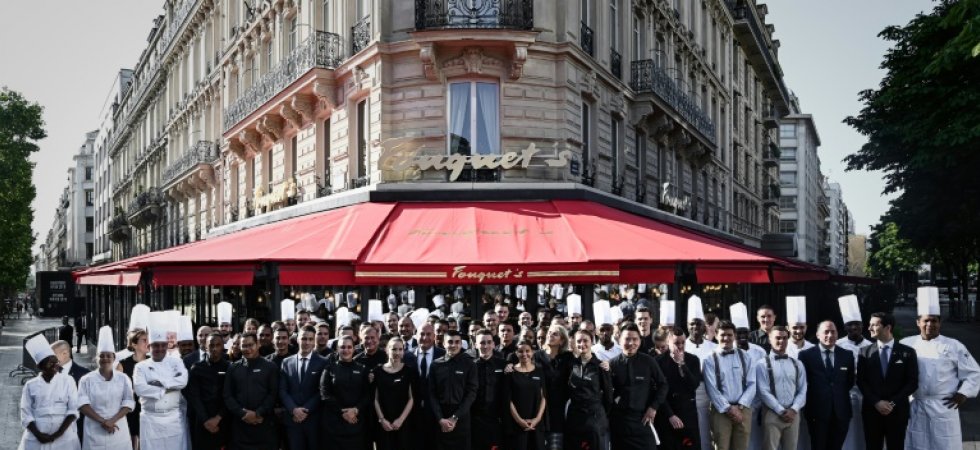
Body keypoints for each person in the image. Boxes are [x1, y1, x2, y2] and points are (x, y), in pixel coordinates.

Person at [900, 287, 980, 450]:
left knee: (945, 444)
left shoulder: (953, 345)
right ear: (918, 322)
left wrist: (963, 393)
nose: (930, 324)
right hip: (916, 405)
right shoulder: (906, 344)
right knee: (917, 444)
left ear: (940, 323)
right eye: (926, 320)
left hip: (944, 406)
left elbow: (974, 372)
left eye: (934, 320)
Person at [856, 312, 918, 450]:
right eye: (870, 324)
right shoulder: (864, 352)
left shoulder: (907, 352)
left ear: (887, 327)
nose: (869, 328)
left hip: (897, 412)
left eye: (874, 325)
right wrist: (876, 402)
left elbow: (912, 382)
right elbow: (861, 381)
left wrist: (892, 402)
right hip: (872, 411)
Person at [608, 323, 668, 450]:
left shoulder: (648, 361)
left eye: (635, 339)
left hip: (642, 420)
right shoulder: (612, 364)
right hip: (619, 422)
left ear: (640, 341)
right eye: (627, 339)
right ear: (619, 340)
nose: (631, 343)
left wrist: (653, 407)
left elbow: (663, 385)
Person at [797, 321, 855, 450]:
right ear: (818, 335)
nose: (830, 335)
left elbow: (849, 382)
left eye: (833, 332)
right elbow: (802, 383)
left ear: (837, 334)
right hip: (816, 412)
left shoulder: (847, 355)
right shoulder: (806, 355)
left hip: (841, 412)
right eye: (826, 332)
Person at [20, 334, 81, 450]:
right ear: (40, 366)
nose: (55, 365)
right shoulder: (30, 385)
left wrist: (58, 434)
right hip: (37, 436)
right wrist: (39, 435)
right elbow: (26, 413)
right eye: (50, 362)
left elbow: (73, 410)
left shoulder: (68, 381)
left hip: (64, 436)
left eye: (56, 361)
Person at [132, 326, 188, 450]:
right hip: (151, 421)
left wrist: (159, 384)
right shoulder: (140, 367)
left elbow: (183, 381)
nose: (160, 348)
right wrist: (171, 386)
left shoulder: (176, 362)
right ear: (149, 347)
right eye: (156, 345)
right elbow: (140, 389)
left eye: (163, 345)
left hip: (174, 419)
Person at [78, 326, 134, 450]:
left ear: (114, 358)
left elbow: (129, 403)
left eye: (108, 355)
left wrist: (112, 420)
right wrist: (103, 421)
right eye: (101, 356)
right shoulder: (86, 379)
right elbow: (83, 405)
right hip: (94, 429)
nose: (105, 359)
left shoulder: (123, 378)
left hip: (118, 428)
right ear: (96, 359)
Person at [704, 321, 756, 450]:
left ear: (734, 336)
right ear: (716, 335)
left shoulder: (746, 357)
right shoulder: (710, 359)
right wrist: (728, 408)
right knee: (721, 446)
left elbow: (752, 383)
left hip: (743, 409)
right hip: (720, 411)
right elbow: (712, 389)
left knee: (742, 446)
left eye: (729, 335)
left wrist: (740, 406)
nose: (726, 338)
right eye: (723, 335)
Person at [223, 332, 279, 450]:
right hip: (240, 427)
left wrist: (258, 413)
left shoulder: (270, 367)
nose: (247, 349)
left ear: (258, 344)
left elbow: (273, 394)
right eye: (244, 346)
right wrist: (243, 413)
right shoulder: (233, 368)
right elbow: (227, 395)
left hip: (263, 424)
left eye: (250, 345)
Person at [755, 326, 806, 450]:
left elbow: (802, 389)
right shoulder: (761, 364)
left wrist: (793, 409)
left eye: (784, 338)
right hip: (772, 413)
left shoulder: (797, 363)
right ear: (770, 339)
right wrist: (781, 410)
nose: (781, 341)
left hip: (793, 415)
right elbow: (763, 391)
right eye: (778, 338)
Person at [654, 326, 703, 450]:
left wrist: (682, 364)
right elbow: (657, 391)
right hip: (667, 414)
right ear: (668, 342)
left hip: (688, 414)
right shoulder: (658, 361)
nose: (680, 346)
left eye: (683, 342)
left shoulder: (693, 360)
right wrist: (670, 415)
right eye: (676, 343)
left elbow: (694, 385)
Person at [562, 329, 612, 450]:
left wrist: (602, 416)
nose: (582, 344)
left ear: (592, 342)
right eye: (579, 341)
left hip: (595, 419)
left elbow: (608, 396)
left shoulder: (601, 366)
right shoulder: (570, 364)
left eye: (586, 340)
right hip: (574, 418)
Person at [429, 331, 479, 450]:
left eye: (457, 342)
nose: (453, 345)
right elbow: (432, 393)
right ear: (444, 344)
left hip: (461, 417)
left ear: (461, 344)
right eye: (450, 342)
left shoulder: (469, 364)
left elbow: (471, 393)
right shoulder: (435, 365)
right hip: (440, 417)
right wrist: (440, 419)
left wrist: (455, 417)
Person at [280, 326, 327, 450]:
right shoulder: (286, 362)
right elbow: (283, 390)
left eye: (310, 339)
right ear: (297, 340)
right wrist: (293, 409)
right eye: (304, 338)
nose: (307, 342)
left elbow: (321, 390)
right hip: (292, 419)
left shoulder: (323, 362)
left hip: (314, 419)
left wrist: (306, 410)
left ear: (314, 341)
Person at [321, 335, 371, 449]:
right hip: (333, 424)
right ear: (337, 349)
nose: (346, 350)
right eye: (342, 347)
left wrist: (355, 410)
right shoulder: (329, 368)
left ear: (354, 349)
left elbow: (367, 395)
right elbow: (325, 394)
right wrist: (341, 411)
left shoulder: (362, 369)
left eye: (349, 347)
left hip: (356, 423)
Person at [835, 296, 871, 450]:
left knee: (864, 432)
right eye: (850, 324)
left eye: (856, 324)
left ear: (862, 325)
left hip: (865, 397)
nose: (854, 328)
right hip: (844, 397)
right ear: (845, 327)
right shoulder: (837, 345)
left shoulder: (871, 346)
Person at [186, 333, 230, 450]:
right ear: (205, 347)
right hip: (201, 421)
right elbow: (194, 397)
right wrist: (206, 420)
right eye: (211, 345)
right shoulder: (196, 368)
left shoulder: (229, 367)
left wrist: (218, 418)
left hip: (223, 420)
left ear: (223, 347)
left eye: (218, 345)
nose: (214, 348)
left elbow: (230, 395)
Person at [373, 337, 417, 450]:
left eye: (400, 349)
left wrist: (400, 420)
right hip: (383, 423)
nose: (397, 352)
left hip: (404, 423)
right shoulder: (377, 371)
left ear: (403, 351)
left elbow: (411, 398)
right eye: (394, 349)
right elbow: (375, 398)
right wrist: (382, 419)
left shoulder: (409, 371)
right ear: (387, 350)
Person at [504, 339, 547, 450]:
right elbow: (508, 400)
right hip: (517, 426)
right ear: (516, 353)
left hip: (536, 425)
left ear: (532, 352)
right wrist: (520, 421)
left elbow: (544, 397)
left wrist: (537, 419)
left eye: (527, 351)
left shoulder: (539, 371)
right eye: (520, 351)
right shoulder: (510, 372)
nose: (524, 354)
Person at [471, 330, 508, 450]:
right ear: (476, 345)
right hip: (474, 421)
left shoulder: (504, 365)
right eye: (482, 343)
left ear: (493, 344)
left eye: (488, 342)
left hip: (497, 421)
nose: (485, 346)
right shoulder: (470, 366)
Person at [412, 323, 445, 450]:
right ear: (416, 336)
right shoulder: (408, 355)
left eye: (428, 334)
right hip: (413, 413)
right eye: (421, 334)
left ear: (434, 336)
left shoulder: (444, 355)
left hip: (437, 413)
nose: (425, 337)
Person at [117, 329, 149, 450]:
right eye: (144, 340)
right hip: (131, 409)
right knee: (132, 440)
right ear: (134, 344)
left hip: (148, 407)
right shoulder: (123, 365)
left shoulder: (153, 361)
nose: (148, 343)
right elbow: (118, 390)